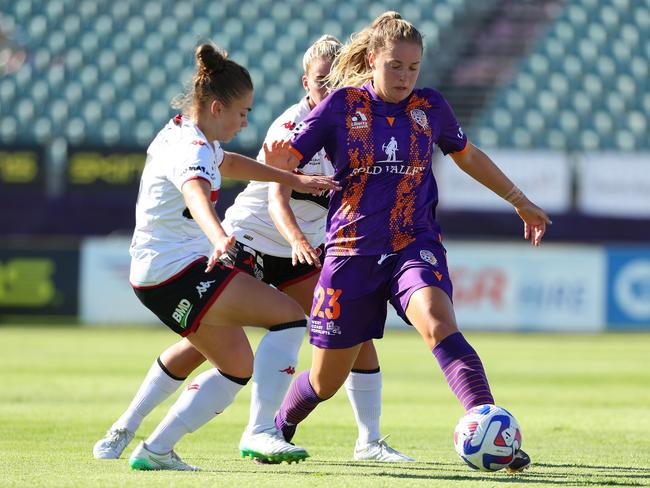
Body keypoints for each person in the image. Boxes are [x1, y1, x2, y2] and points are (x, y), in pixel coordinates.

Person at [93, 36, 411, 467]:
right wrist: (222, 235)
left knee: (264, 355)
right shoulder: (255, 135)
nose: (247, 121)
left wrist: (296, 181)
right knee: (270, 327)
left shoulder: (193, 135)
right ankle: (252, 430)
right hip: (228, 251)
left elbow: (229, 164)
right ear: (218, 108)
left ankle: (155, 449)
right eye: (242, 113)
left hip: (191, 265)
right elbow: (199, 194)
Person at [267, 12, 551, 473]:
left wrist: (520, 200)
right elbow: (279, 172)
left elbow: (469, 155)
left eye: (413, 67)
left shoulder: (431, 107)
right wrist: (293, 217)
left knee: (440, 324)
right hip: (350, 255)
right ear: (372, 60)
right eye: (395, 65)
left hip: (411, 244)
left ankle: (490, 428)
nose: (404, 76)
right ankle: (277, 427)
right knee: (324, 381)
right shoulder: (341, 106)